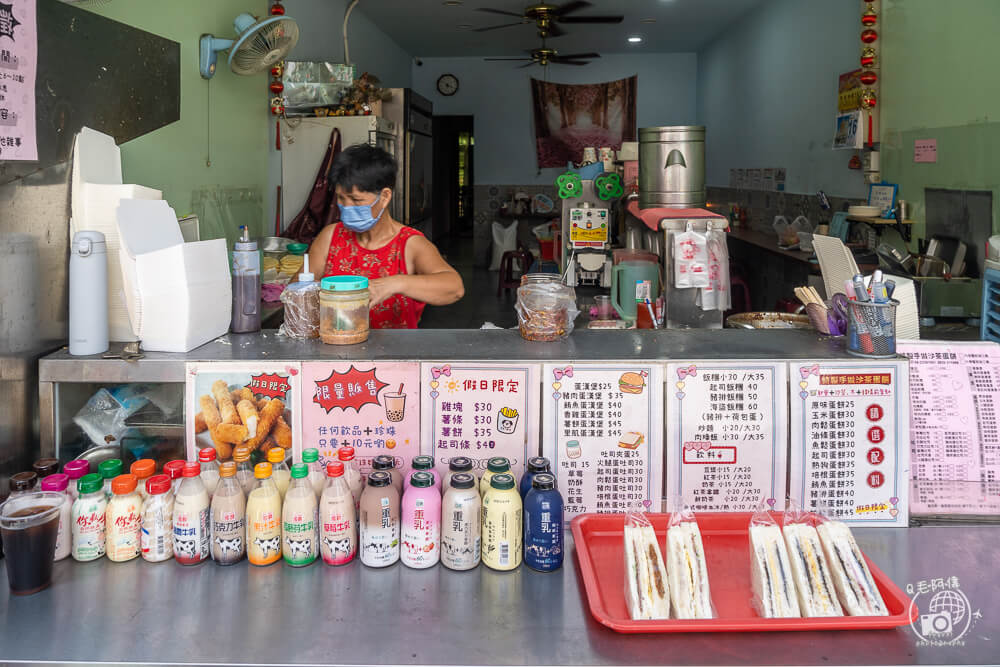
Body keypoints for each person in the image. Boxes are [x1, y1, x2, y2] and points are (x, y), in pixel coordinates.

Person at [308, 144, 464, 329]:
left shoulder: (409, 244)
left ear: (384, 196)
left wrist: (395, 283)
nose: (347, 207)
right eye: (341, 199)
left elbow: (454, 288)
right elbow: (298, 292)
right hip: (335, 350)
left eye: (356, 200)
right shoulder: (330, 237)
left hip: (395, 354)